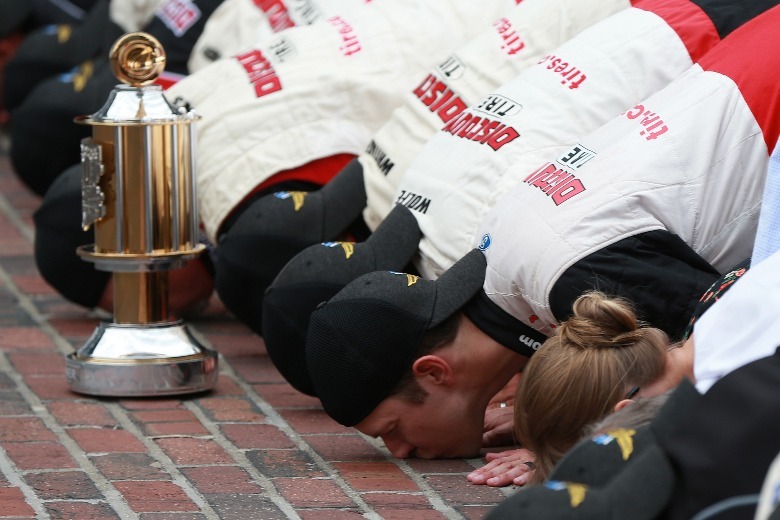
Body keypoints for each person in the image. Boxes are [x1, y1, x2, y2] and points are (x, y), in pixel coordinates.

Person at [302, 3, 780, 466]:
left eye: (391, 431)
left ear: (433, 372)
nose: (400, 451)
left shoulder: (567, 276)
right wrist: (554, 418)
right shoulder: (504, 253)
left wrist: (580, 447)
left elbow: (739, 349)